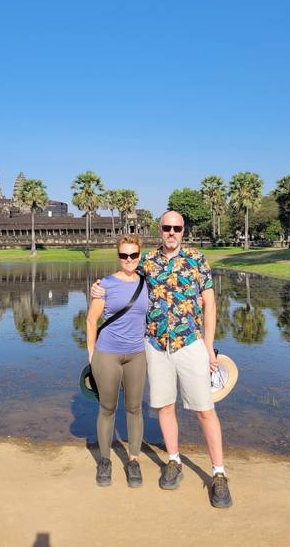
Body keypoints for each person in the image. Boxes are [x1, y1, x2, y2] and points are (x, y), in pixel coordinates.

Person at [91, 211, 232, 508]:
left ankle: (219, 474)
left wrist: (209, 347)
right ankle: (174, 460)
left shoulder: (197, 259)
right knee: (165, 407)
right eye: (166, 227)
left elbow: (210, 304)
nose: (171, 232)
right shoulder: (147, 261)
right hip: (155, 345)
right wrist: (95, 288)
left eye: (176, 228)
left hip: (190, 342)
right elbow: (123, 275)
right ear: (160, 229)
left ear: (183, 230)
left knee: (204, 409)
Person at [86, 235, 149, 488]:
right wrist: (91, 354)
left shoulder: (147, 283)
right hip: (108, 354)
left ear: (140, 256)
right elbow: (92, 320)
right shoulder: (106, 285)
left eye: (134, 255)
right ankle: (105, 460)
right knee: (107, 408)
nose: (129, 260)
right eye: (124, 255)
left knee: (134, 408)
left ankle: (133, 460)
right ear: (118, 256)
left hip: (136, 354)